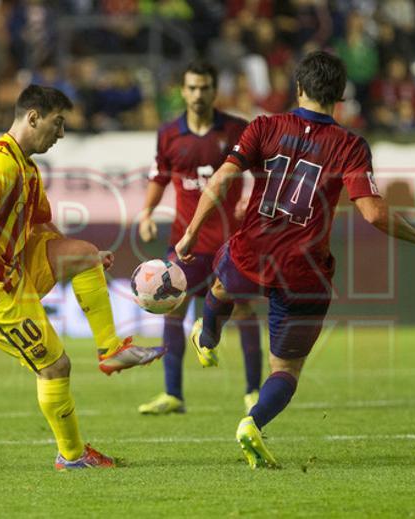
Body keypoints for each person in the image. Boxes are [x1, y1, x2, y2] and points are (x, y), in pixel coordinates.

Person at [175, 51, 415, 469]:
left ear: (299, 88)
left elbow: (220, 180)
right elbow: (374, 214)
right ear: (340, 95)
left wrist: (190, 233)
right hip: (304, 271)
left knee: (221, 280)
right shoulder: (350, 145)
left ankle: (208, 335)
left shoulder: (265, 126)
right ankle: (252, 423)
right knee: (286, 368)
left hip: (252, 249)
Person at [0, 85, 164, 470]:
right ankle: (73, 456)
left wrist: (87, 258)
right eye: (57, 123)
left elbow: (43, 224)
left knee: (81, 253)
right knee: (55, 367)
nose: (61, 133)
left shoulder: (26, 167)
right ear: (32, 118)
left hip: (14, 269)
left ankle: (110, 350)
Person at [138, 61, 262, 415]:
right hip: (185, 243)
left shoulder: (237, 129)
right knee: (172, 310)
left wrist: (249, 208)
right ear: (182, 90)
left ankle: (253, 391)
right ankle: (172, 394)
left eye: (204, 87)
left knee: (243, 310)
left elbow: (261, 175)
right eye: (191, 87)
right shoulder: (168, 134)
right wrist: (146, 213)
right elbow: (160, 176)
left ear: (214, 90)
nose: (198, 94)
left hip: (231, 243)